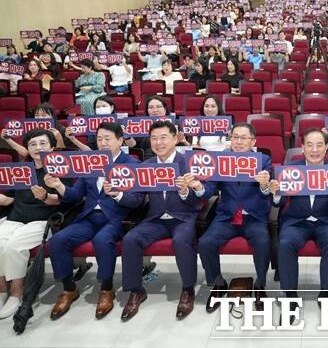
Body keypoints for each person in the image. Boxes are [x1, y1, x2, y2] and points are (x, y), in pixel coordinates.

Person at [108, 121, 213, 321]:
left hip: (183, 218)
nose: (158, 142)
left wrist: (184, 191)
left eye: (164, 137)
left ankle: (188, 289)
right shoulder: (145, 166)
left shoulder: (189, 163)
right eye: (154, 138)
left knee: (181, 241)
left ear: (175, 139)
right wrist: (117, 194)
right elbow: (136, 199)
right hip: (155, 219)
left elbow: (199, 199)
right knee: (131, 239)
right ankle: (136, 290)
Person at [44, 122, 138, 320]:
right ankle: (69, 289)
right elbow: (75, 195)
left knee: (102, 240)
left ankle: (106, 288)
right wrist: (59, 186)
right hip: (88, 218)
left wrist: (117, 194)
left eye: (108, 138)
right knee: (58, 240)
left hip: (115, 218)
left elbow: (136, 201)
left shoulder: (131, 163)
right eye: (99, 139)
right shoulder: (90, 163)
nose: (103, 142)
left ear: (120, 140)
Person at [270, 128, 328, 325]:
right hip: (296, 221)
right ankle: (290, 298)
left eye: (319, 145)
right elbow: (279, 203)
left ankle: (326, 296)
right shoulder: (292, 167)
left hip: (326, 221)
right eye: (310, 145)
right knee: (285, 244)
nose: (314, 149)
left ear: (326, 148)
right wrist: (276, 193)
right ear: (302, 147)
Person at [198, 123, 272, 313]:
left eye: (243, 138)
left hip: (253, 216)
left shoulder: (263, 160)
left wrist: (265, 185)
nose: (238, 142)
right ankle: (218, 283)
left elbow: (267, 192)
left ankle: (260, 285)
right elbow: (210, 190)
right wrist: (198, 187)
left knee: (263, 241)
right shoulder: (221, 160)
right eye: (235, 137)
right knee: (205, 243)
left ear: (253, 141)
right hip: (227, 217)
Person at [0, 129, 63, 319]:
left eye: (43, 143)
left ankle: (17, 292)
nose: (38, 148)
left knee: (13, 247)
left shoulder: (59, 169)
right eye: (33, 144)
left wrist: (45, 196)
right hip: (16, 217)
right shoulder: (20, 169)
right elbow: (9, 199)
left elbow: (62, 200)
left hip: (42, 220)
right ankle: (2, 288)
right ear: (27, 148)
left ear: (52, 147)